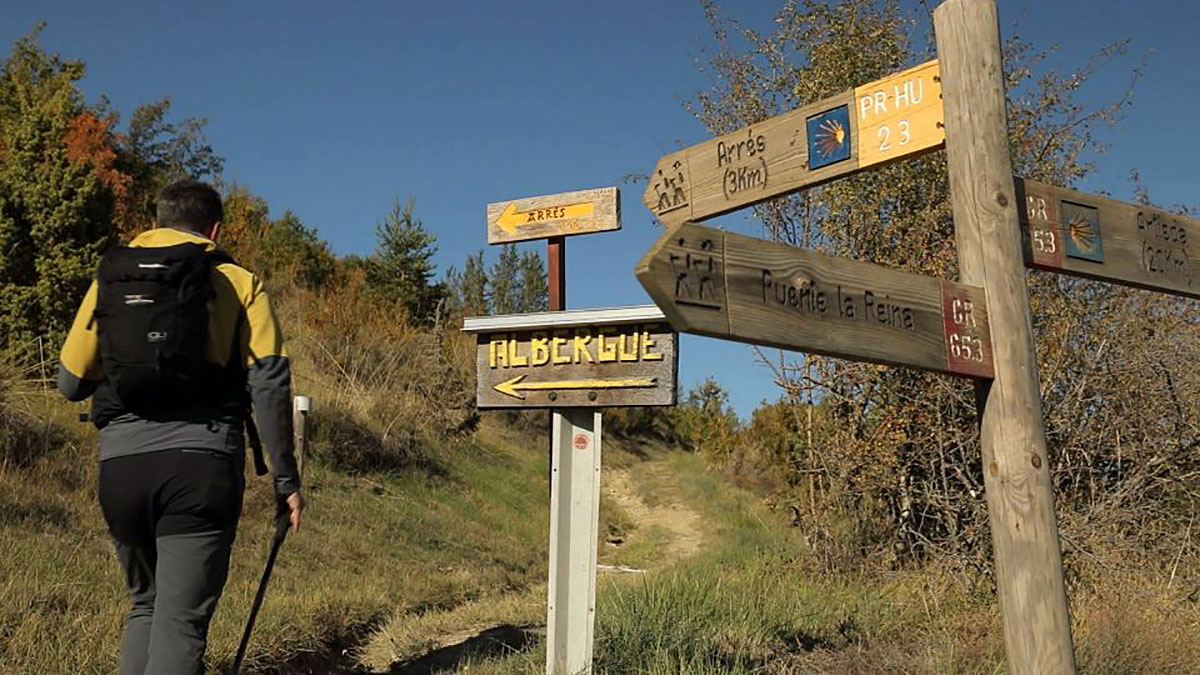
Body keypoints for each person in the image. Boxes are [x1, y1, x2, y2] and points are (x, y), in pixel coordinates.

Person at [57, 179, 304, 675]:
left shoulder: (113, 275)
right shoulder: (238, 280)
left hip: (121, 467)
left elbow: (70, 381)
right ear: (215, 229)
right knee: (181, 622)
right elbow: (270, 384)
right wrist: (285, 480)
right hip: (202, 465)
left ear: (154, 223)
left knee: (145, 605)